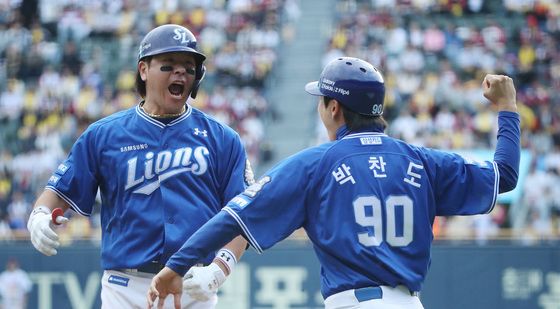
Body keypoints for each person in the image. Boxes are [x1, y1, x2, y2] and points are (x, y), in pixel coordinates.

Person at [146, 57, 521, 309]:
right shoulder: (422, 161)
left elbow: (233, 217)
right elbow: (504, 175)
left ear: (334, 108)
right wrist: (507, 108)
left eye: (321, 99)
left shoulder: (316, 164)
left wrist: (175, 266)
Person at [26, 24, 254, 309]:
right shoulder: (104, 135)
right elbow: (57, 191)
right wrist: (39, 215)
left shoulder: (223, 139)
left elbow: (242, 214)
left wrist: (220, 268)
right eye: (168, 65)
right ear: (143, 70)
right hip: (124, 288)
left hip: (192, 285)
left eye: (189, 67)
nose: (180, 73)